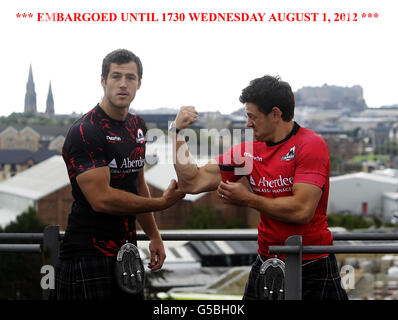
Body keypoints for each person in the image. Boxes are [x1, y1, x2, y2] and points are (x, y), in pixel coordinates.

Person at [170, 75, 348, 300]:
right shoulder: (246, 151)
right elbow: (192, 182)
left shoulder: (310, 145)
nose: (247, 123)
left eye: (252, 117)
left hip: (311, 261)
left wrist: (248, 199)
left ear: (275, 114)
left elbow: (302, 211)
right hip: (268, 257)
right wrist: (176, 132)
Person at [51, 49, 185, 300]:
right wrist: (162, 203)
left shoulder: (137, 126)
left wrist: (154, 236)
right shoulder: (85, 131)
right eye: (116, 76)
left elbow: (138, 183)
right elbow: (101, 199)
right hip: (87, 255)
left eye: (130, 77)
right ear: (103, 81)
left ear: (139, 83)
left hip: (127, 252)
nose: (123, 84)